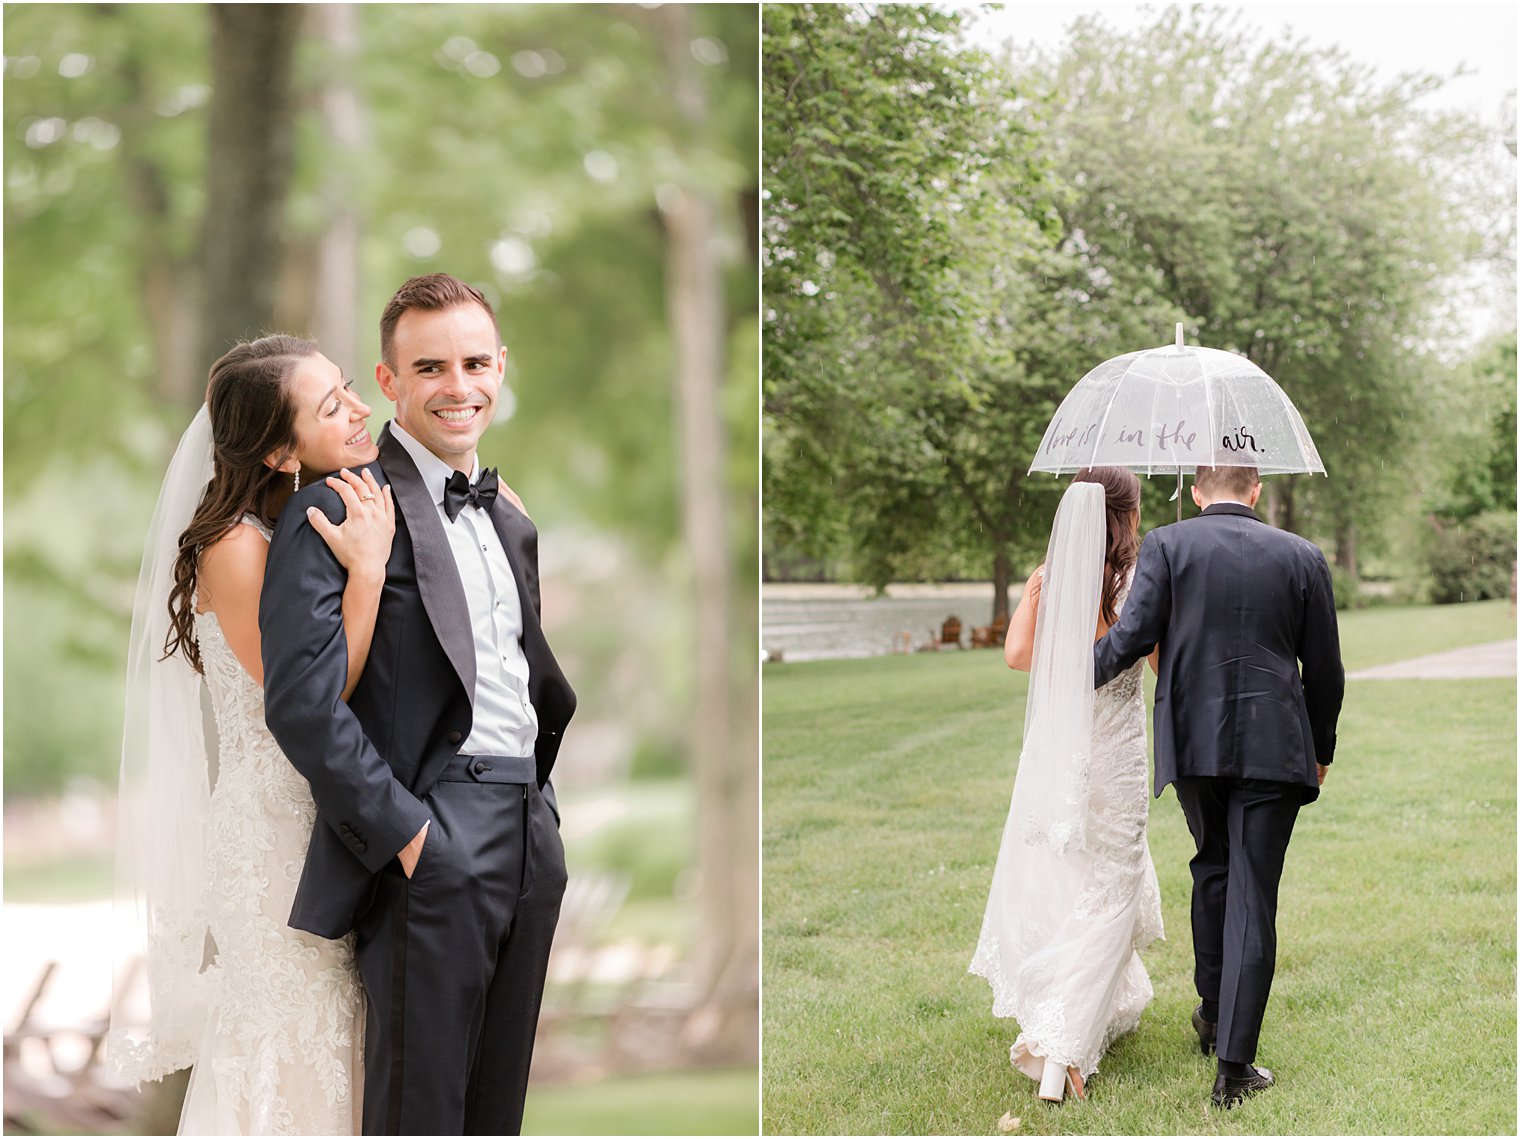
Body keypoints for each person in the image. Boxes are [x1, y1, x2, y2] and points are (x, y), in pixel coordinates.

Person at [259, 273, 576, 1135]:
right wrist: (407, 834)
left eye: (475, 362)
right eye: (430, 366)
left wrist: (540, 818)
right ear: (389, 380)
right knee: (419, 1116)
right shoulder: (338, 508)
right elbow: (301, 703)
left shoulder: (509, 515)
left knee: (494, 1115)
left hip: (528, 835)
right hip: (432, 837)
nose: (458, 386)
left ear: (501, 368)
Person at [110, 334, 398, 1133]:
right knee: (284, 1037)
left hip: (312, 809)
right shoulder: (236, 545)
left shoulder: (286, 525)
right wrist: (367, 574)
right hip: (269, 831)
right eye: (332, 404)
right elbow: (312, 695)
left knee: (335, 1032)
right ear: (276, 449)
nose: (359, 408)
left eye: (347, 389)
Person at [1092, 463, 1343, 1109]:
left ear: (1198, 491)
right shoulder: (1303, 555)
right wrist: (1321, 747)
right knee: (1252, 892)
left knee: (1212, 869)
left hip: (1195, 743)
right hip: (1274, 744)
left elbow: (1132, 637)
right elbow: (1326, 667)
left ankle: (1212, 1014)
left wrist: (1068, 672)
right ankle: (1232, 1065)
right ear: (1255, 489)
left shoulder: (1169, 544)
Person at [969, 466, 1164, 1104]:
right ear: (1127, 516)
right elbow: (1157, 660)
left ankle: (1078, 1023)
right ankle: (1059, 1052)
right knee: (1112, 890)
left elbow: (1018, 656)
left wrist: (1040, 603)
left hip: (1063, 753)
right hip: (1117, 754)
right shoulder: (1138, 580)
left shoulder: (1051, 578)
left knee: (1086, 882)